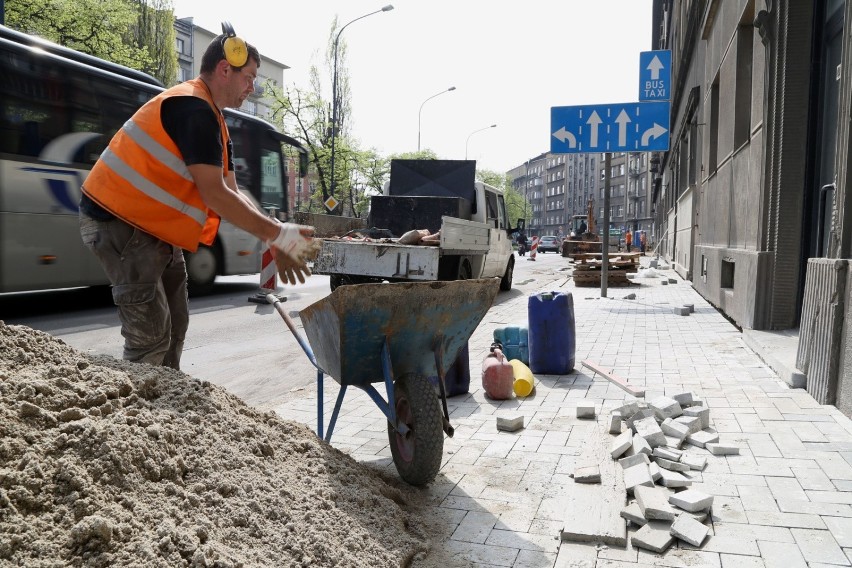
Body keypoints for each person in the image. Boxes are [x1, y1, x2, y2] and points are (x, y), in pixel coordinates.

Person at [79, 24, 314, 370]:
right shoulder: (192, 107)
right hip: (121, 224)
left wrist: (276, 232)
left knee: (175, 328)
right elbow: (215, 194)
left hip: (153, 230)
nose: (253, 87)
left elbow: (233, 192)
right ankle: (136, 414)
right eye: (249, 77)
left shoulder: (214, 118)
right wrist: (276, 235)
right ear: (224, 69)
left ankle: (164, 406)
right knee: (151, 339)